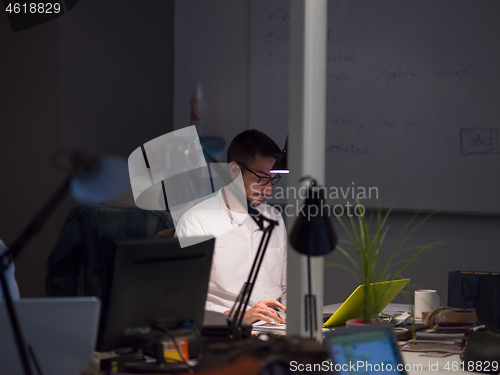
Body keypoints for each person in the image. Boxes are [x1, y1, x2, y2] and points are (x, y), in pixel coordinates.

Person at [176, 129, 286, 324]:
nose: (268, 189)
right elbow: (186, 301)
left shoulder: (273, 217)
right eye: (261, 179)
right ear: (234, 170)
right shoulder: (197, 222)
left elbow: (286, 286)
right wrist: (239, 316)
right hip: (227, 329)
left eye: (273, 179)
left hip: (276, 326)